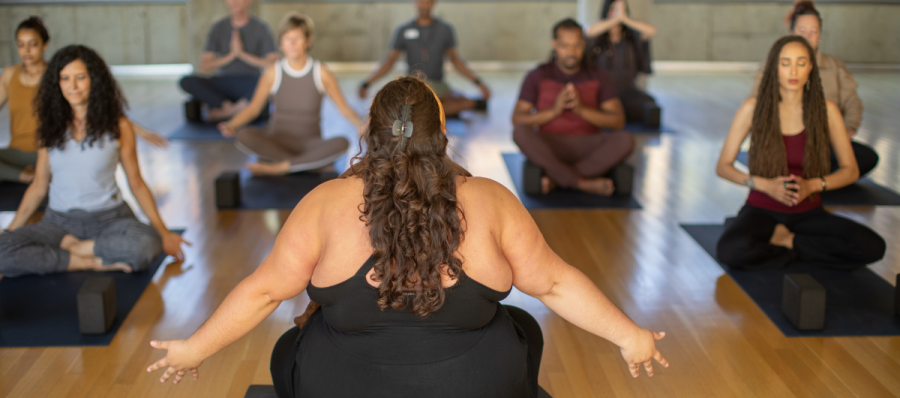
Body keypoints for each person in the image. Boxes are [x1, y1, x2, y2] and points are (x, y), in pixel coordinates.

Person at [146, 76, 668, 396]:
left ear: (370, 133)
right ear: (441, 133)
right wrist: (629, 336)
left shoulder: (325, 202)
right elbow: (553, 285)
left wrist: (193, 349)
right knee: (524, 327)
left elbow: (263, 291)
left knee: (289, 345)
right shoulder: (489, 199)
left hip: (344, 386)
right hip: (472, 386)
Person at [0, 45, 189, 278]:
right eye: (65, 79)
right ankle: (86, 262)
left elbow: (136, 183)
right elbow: (39, 186)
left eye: (80, 77)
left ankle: (76, 250)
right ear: (56, 84)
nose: (73, 86)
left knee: (147, 244)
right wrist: (10, 232)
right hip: (59, 222)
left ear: (95, 80)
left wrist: (163, 232)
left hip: (111, 219)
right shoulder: (48, 128)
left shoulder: (119, 126)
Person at [716, 36, 885, 270]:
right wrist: (764, 185)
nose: (793, 70)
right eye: (785, 63)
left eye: (801, 62)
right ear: (774, 68)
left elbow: (850, 170)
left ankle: (788, 242)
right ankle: (804, 249)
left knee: (872, 246)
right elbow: (723, 165)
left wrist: (812, 186)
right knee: (730, 250)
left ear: (811, 68)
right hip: (762, 209)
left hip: (808, 213)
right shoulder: (752, 108)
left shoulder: (827, 110)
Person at [0, 17, 167, 184]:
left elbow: (101, 110)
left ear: (45, 45)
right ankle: (26, 176)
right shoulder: (9, 74)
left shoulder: (59, 76)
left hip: (49, 151)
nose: (26, 50)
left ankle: (37, 176)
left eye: (32, 44)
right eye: (21, 44)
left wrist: (141, 131)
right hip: (16, 153)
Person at [218, 13, 360, 176]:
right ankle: (307, 164)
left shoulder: (322, 73)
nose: (292, 44)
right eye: (287, 38)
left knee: (342, 143)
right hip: (278, 142)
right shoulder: (272, 73)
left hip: (311, 144)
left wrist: (362, 125)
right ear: (281, 44)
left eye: (297, 38)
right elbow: (253, 109)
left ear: (308, 41)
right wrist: (232, 124)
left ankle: (280, 167)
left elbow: (344, 109)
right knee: (244, 135)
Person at [750, 1, 878, 178]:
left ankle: (811, 180)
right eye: (802, 31)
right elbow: (757, 105)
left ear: (819, 35)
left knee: (866, 157)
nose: (807, 37)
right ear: (792, 33)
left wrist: (848, 129)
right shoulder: (773, 66)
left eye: (813, 31)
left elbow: (852, 102)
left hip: (823, 144)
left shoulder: (835, 66)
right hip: (783, 142)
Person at [512, 18, 631, 196]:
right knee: (520, 132)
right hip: (551, 144)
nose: (571, 52)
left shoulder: (598, 75)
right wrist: (554, 111)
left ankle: (557, 180)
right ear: (554, 45)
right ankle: (581, 183)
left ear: (584, 44)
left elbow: (618, 121)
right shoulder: (538, 75)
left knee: (626, 140)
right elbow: (517, 119)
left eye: (577, 45)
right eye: (564, 46)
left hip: (588, 144)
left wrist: (581, 110)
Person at [358, 0, 489, 117]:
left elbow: (456, 60)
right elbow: (389, 61)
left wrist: (479, 83)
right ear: (415, 2)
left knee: (461, 102)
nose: (423, 4)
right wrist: (367, 83)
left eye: (427, 1)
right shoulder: (404, 30)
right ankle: (437, 110)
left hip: (438, 85)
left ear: (433, 2)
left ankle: (450, 107)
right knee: (403, 104)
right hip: (414, 86)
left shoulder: (445, 29)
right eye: (420, 1)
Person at [179, 0, 279, 122]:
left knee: (267, 81)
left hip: (250, 81)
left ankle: (227, 113)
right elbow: (205, 65)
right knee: (186, 81)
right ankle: (232, 108)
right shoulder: (219, 27)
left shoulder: (261, 27)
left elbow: (273, 63)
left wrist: (242, 54)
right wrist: (231, 55)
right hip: (224, 81)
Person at [586, 0, 660, 128]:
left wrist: (624, 19)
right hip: (603, 94)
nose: (617, 13)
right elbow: (588, 30)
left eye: (620, 9)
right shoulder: (598, 37)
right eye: (613, 9)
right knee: (590, 105)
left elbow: (651, 31)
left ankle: (615, 116)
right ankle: (612, 116)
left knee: (650, 105)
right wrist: (615, 19)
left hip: (628, 92)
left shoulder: (631, 37)